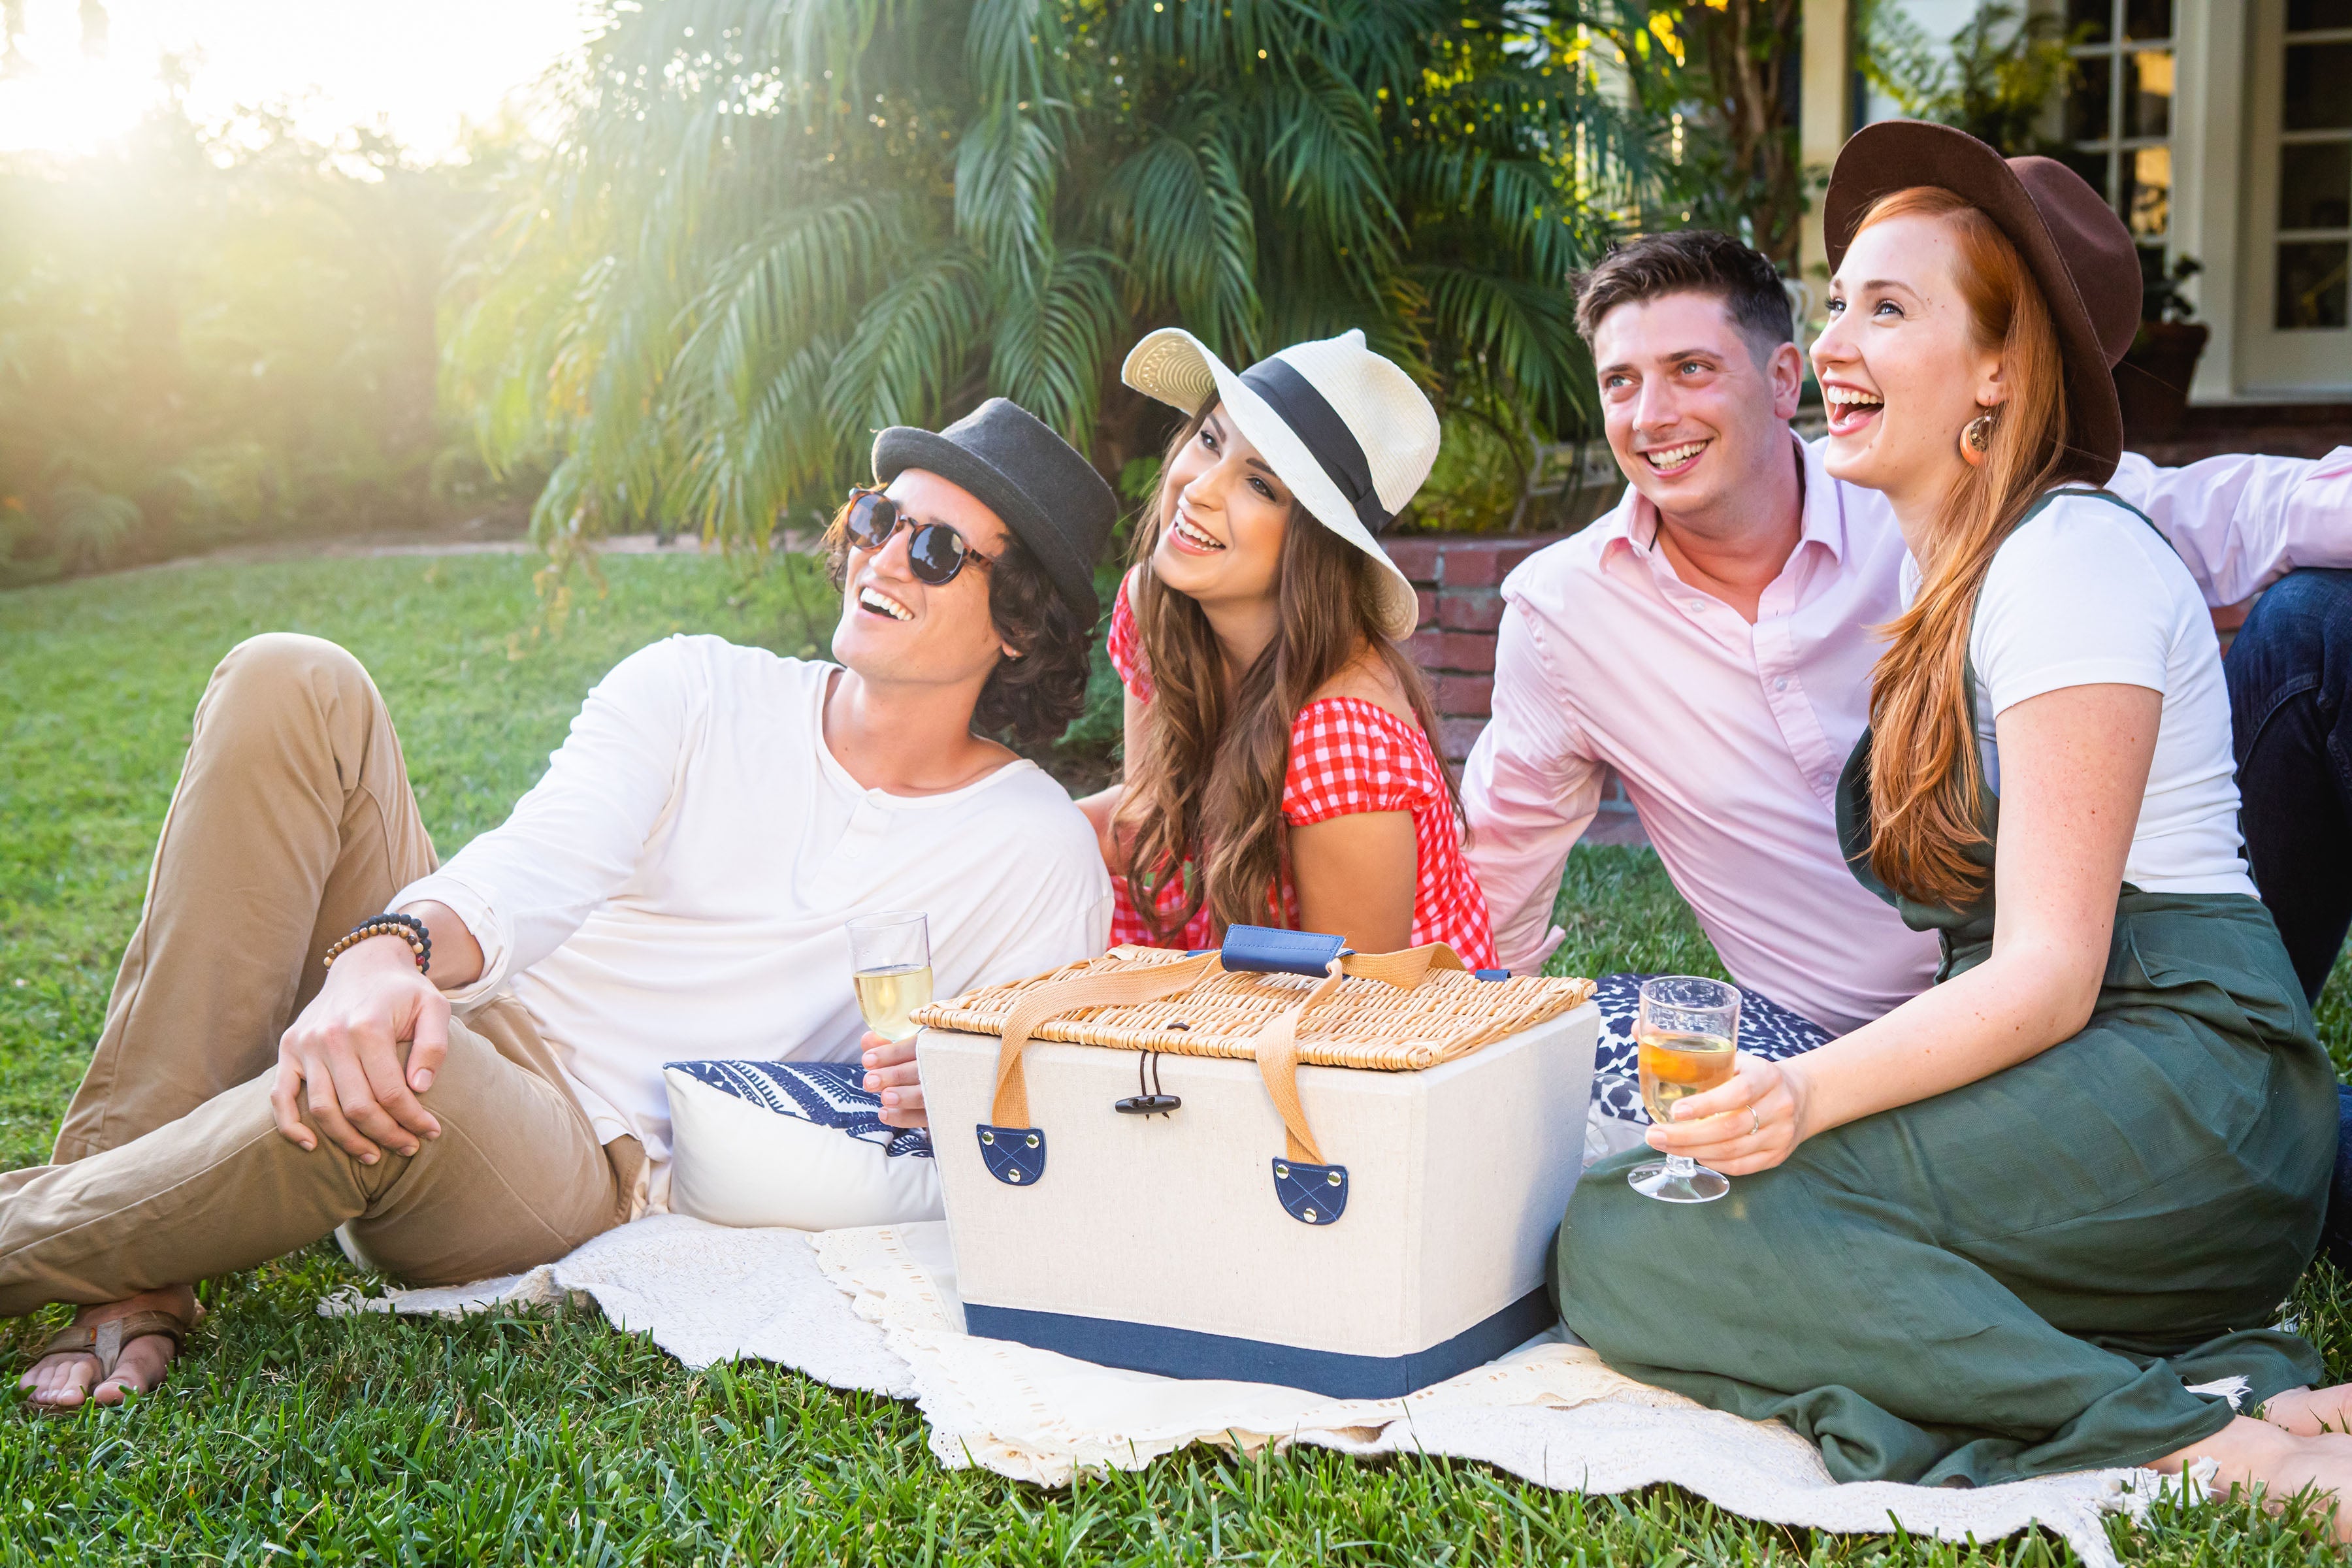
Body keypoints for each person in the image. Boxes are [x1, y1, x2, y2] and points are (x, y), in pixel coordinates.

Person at [7, 399, 1117, 1411]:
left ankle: (63, 1247)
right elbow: (537, 866)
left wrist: (955, 1088)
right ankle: (133, 1275)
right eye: (880, 518)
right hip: (479, 995)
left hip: (576, 1152)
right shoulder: (698, 686)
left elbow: (1029, 1129)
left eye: (936, 550)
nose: (884, 558)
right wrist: (388, 949)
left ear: (1016, 626)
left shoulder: (1032, 851)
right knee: (292, 678)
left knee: (393, 1064)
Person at [1554, 120, 2352, 1521]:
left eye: (1890, 307)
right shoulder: (1955, 591)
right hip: (2083, 1074)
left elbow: (2046, 972)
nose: (1838, 344)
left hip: (2184, 1082)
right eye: (1841, 298)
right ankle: (2216, 1385)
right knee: (1649, 1222)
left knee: (1638, 1238)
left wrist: (1802, 1098)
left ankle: (2207, 1455)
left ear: (1999, 369)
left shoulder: (2070, 558)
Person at [1464, 231, 2352, 1161]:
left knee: (2319, 626)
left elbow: (2206, 511)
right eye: (1620, 383)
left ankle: (2245, 1097)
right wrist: (1436, 1058)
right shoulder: (1564, 615)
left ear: (1781, 381)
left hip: (2107, 976)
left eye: (1690, 369)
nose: (1651, 416)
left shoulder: (1923, 480)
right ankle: (2265, 1129)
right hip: (1847, 1051)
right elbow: (1498, 871)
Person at [1077, 328, 1494, 963]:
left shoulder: (1340, 739)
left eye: (1261, 485)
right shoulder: (1155, 605)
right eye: (1210, 440)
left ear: (1314, 548)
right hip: (1242, 980)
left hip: (1374, 1031)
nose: (1200, 488)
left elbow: (1356, 1019)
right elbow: (1150, 818)